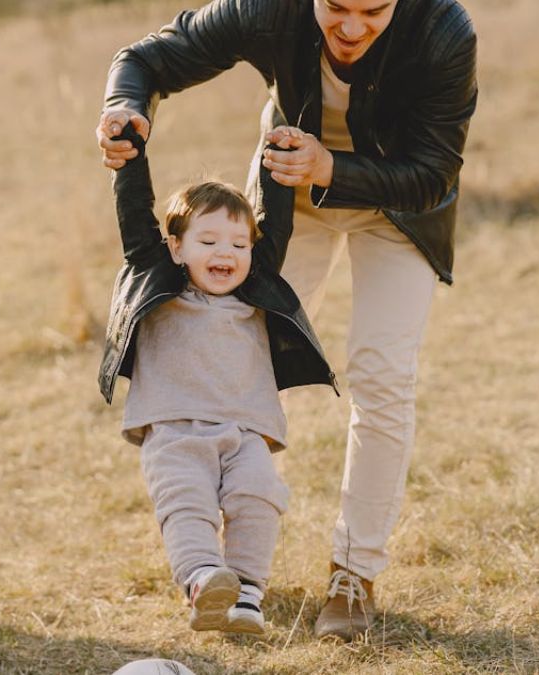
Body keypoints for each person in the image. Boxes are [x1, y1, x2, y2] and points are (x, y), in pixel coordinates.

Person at [96, 0, 477, 640]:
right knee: (241, 356)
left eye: (374, 11)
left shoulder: (444, 30)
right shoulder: (267, 9)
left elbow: (435, 171)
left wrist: (332, 167)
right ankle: (218, 564)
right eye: (335, 8)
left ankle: (353, 575)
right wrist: (124, 107)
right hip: (286, 199)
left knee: (382, 378)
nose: (352, 27)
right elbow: (147, 57)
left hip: (399, 207)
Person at [100, 124, 336, 634]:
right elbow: (134, 216)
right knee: (187, 504)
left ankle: (247, 593)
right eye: (207, 240)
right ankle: (204, 581)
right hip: (174, 429)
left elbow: (277, 220)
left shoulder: (256, 289)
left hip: (246, 429)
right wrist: (128, 152)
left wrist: (280, 150)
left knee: (257, 499)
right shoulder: (157, 277)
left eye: (237, 243)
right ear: (176, 248)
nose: (224, 253)